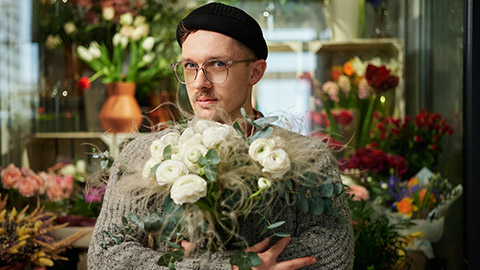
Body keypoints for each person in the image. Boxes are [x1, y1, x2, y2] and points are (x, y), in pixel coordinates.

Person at [88, 2, 354, 269]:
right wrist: (229, 266)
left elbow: (334, 251)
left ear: (255, 72)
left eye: (217, 64)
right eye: (190, 66)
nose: (200, 83)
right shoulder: (143, 154)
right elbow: (105, 255)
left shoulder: (309, 158)